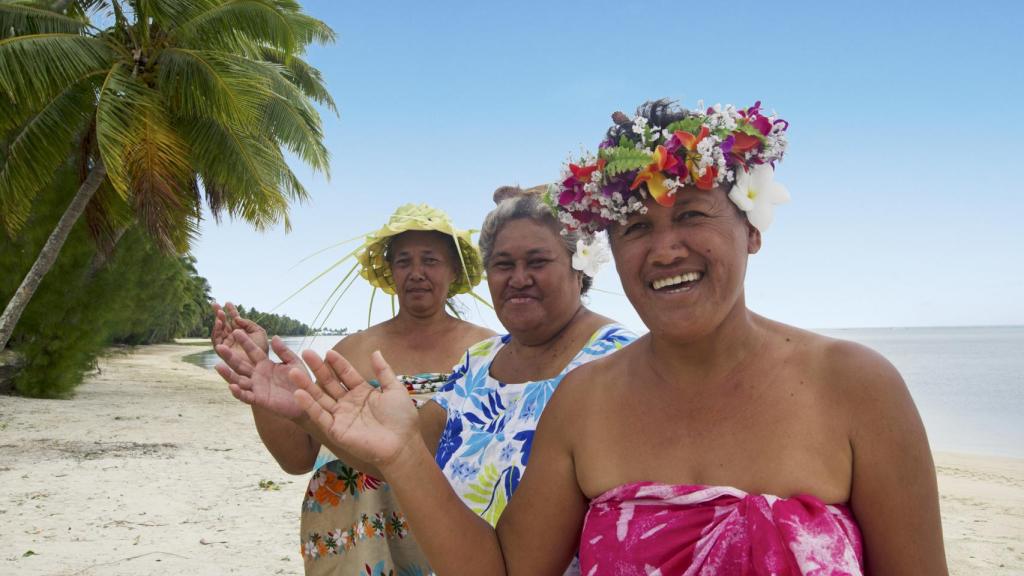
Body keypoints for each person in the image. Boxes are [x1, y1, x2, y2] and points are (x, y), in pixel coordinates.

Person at [292, 100, 949, 574]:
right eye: (635, 227)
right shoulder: (585, 401)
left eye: (691, 214)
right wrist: (404, 453)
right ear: (609, 245)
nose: (665, 249)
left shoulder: (856, 388)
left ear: (751, 227)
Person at [250, 188, 635, 574]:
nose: (519, 278)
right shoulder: (481, 362)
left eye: (537, 261)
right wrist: (305, 414)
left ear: (579, 264)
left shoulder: (618, 362)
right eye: (502, 264)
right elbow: (403, 455)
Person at [212, 204, 495, 575]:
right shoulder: (353, 351)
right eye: (404, 261)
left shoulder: (488, 350)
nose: (417, 272)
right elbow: (298, 458)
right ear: (391, 271)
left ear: (454, 269)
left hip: (457, 529)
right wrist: (259, 383)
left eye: (431, 260)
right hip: (359, 537)